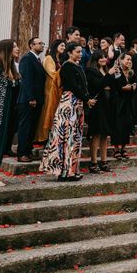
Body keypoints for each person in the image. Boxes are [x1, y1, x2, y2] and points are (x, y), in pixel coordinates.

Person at [40, 42, 96, 181]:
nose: (80, 54)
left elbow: (82, 86)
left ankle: (71, 170)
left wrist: (86, 98)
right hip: (69, 103)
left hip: (77, 103)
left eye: (81, 52)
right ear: (70, 53)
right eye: (77, 51)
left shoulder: (78, 66)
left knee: (74, 137)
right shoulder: (67, 66)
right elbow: (72, 86)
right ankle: (64, 171)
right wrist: (87, 99)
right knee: (67, 137)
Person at [85, 50, 119, 172]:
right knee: (96, 133)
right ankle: (93, 162)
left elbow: (113, 85)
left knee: (105, 134)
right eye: (101, 58)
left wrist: (113, 76)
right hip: (98, 105)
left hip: (108, 103)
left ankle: (104, 161)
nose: (104, 59)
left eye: (105, 57)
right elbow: (97, 85)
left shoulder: (106, 70)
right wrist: (108, 75)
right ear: (95, 59)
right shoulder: (91, 71)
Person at [0, 40, 21, 187]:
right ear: (7, 49)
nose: (17, 48)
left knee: (1, 142)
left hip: (7, 111)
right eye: (14, 46)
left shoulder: (11, 67)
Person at [17, 37, 47, 162]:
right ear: (31, 45)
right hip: (28, 99)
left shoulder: (38, 60)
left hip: (38, 99)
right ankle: (22, 153)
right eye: (39, 43)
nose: (42, 45)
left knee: (32, 127)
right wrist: (31, 98)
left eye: (42, 43)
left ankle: (28, 151)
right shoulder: (27, 59)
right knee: (25, 126)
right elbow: (27, 80)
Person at [35, 39, 65, 145]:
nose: (63, 48)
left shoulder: (59, 59)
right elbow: (53, 73)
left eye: (64, 46)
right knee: (46, 112)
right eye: (61, 45)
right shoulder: (48, 58)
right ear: (55, 46)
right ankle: (42, 137)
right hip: (49, 89)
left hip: (57, 90)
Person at [113, 53, 137, 159]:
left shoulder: (131, 73)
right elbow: (118, 86)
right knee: (117, 125)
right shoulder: (117, 71)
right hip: (118, 102)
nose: (129, 61)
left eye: (130, 60)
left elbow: (134, 85)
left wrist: (131, 87)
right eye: (127, 59)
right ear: (121, 60)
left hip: (128, 101)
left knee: (127, 124)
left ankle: (124, 148)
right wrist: (127, 87)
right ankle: (116, 149)